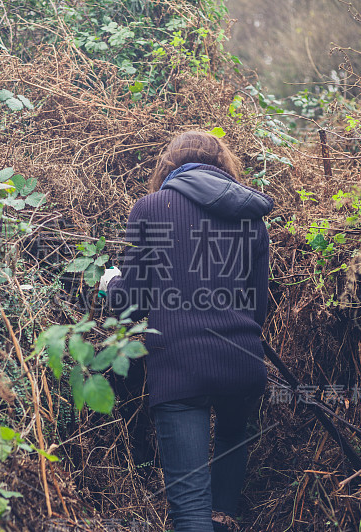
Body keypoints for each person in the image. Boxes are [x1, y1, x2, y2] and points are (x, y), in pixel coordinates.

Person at [99, 130, 273, 532]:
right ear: (223, 165)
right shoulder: (250, 215)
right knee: (221, 508)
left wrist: (111, 284)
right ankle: (225, 514)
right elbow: (257, 306)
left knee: (190, 513)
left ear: (169, 166)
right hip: (243, 364)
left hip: (179, 370)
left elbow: (132, 306)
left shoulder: (150, 208)